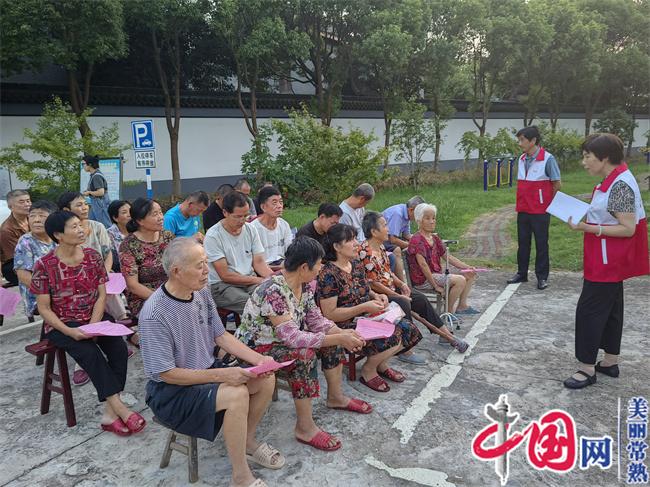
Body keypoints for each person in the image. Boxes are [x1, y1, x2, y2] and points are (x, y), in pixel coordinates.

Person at [139, 237, 284, 487]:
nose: (207, 270)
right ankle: (240, 475)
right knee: (236, 394)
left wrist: (258, 359)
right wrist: (224, 376)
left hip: (205, 370)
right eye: (199, 265)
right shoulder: (155, 314)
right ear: (176, 271)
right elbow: (166, 374)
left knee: (265, 377)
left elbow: (220, 334)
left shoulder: (200, 292)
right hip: (171, 391)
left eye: (206, 262)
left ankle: (248, 441)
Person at [236, 237, 371, 452]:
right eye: (318, 264)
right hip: (256, 349)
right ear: (304, 267)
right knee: (304, 355)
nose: (321, 268)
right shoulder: (273, 290)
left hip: (281, 342)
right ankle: (305, 427)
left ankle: (335, 397)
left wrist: (343, 333)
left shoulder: (304, 285)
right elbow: (292, 338)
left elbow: (316, 320)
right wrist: (339, 337)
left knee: (329, 341)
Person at [31, 210, 145, 436]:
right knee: (90, 354)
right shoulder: (44, 265)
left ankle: (109, 413)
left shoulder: (92, 256)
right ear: (58, 235)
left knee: (119, 350)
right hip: (62, 323)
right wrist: (71, 332)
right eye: (73, 227)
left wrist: (94, 325)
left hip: (94, 317)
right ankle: (120, 409)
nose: (81, 230)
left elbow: (101, 295)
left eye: (80, 225)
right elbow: (44, 308)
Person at [563, 133, 649, 389]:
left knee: (589, 311)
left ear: (605, 158)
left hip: (607, 261)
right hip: (608, 259)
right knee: (611, 310)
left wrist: (588, 228)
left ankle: (586, 368)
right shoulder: (614, 179)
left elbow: (628, 228)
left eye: (588, 157)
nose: (584, 162)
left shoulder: (620, 184)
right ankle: (610, 361)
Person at [317, 224, 423, 393]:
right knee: (394, 334)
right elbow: (330, 314)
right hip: (344, 326)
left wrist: (376, 296)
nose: (356, 243)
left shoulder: (355, 264)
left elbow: (366, 288)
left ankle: (381, 364)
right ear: (337, 246)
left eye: (355, 238)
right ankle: (369, 370)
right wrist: (363, 307)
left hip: (366, 317)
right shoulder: (328, 274)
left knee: (408, 328)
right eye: (350, 240)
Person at [360, 212, 469, 355]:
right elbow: (373, 283)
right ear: (374, 232)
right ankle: (407, 349)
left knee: (421, 299)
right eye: (385, 226)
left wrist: (402, 285)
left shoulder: (380, 248)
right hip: (379, 295)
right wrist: (397, 295)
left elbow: (388, 272)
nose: (388, 229)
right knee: (404, 303)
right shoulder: (365, 251)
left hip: (391, 289)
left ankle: (446, 335)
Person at [507, 126, 561, 290]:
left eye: (522, 140)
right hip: (523, 209)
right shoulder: (522, 159)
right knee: (523, 243)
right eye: (519, 140)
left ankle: (542, 277)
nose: (520, 143)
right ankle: (521, 273)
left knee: (541, 244)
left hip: (540, 210)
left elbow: (557, 183)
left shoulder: (548, 159)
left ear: (533, 141)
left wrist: (547, 202)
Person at [407, 204, 479, 321]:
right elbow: (423, 266)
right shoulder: (417, 239)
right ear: (419, 221)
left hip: (435, 275)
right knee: (459, 280)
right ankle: (448, 314)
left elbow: (448, 257)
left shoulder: (434, 238)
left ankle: (462, 306)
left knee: (470, 273)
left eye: (433, 218)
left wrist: (468, 267)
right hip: (424, 279)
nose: (432, 221)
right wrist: (435, 286)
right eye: (428, 218)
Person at [205, 191, 273, 315]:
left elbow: (259, 262)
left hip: (249, 280)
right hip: (222, 286)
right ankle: (253, 333)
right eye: (237, 216)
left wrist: (273, 279)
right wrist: (258, 280)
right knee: (253, 304)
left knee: (274, 295)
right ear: (225, 213)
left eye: (245, 216)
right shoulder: (213, 236)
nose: (242, 220)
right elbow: (225, 275)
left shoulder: (250, 229)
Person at [119, 198, 175, 324]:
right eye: (155, 214)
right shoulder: (129, 245)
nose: (161, 217)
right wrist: (164, 300)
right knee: (173, 316)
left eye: (161, 212)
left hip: (173, 291)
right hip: (145, 297)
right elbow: (133, 285)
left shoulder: (167, 236)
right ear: (140, 221)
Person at [13, 200, 58, 318]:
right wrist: (51, 292)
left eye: (42, 216)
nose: (36, 220)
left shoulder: (58, 237)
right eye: (32, 216)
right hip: (38, 295)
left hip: (60, 289)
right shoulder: (26, 241)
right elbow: (23, 275)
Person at [251, 186, 293, 270]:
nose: (279, 206)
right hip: (263, 270)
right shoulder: (253, 228)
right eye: (274, 203)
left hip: (283, 265)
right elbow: (253, 263)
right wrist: (278, 268)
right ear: (263, 207)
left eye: (281, 202)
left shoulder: (284, 225)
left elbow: (290, 251)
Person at [0, 189, 31, 286]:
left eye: (28, 200)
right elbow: (19, 256)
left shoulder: (34, 219)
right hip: (16, 263)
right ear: (10, 207)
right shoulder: (7, 229)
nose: (27, 204)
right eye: (21, 202)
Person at [82, 154, 112, 228]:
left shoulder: (96, 176)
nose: (83, 166)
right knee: (92, 224)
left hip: (100, 203)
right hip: (96, 203)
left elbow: (101, 192)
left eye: (84, 164)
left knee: (105, 225)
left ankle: (110, 239)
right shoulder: (94, 175)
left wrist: (89, 192)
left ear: (90, 165)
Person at [107, 200, 131, 273]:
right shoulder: (108, 234)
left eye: (130, 211)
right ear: (115, 218)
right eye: (124, 212)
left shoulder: (139, 230)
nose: (129, 215)